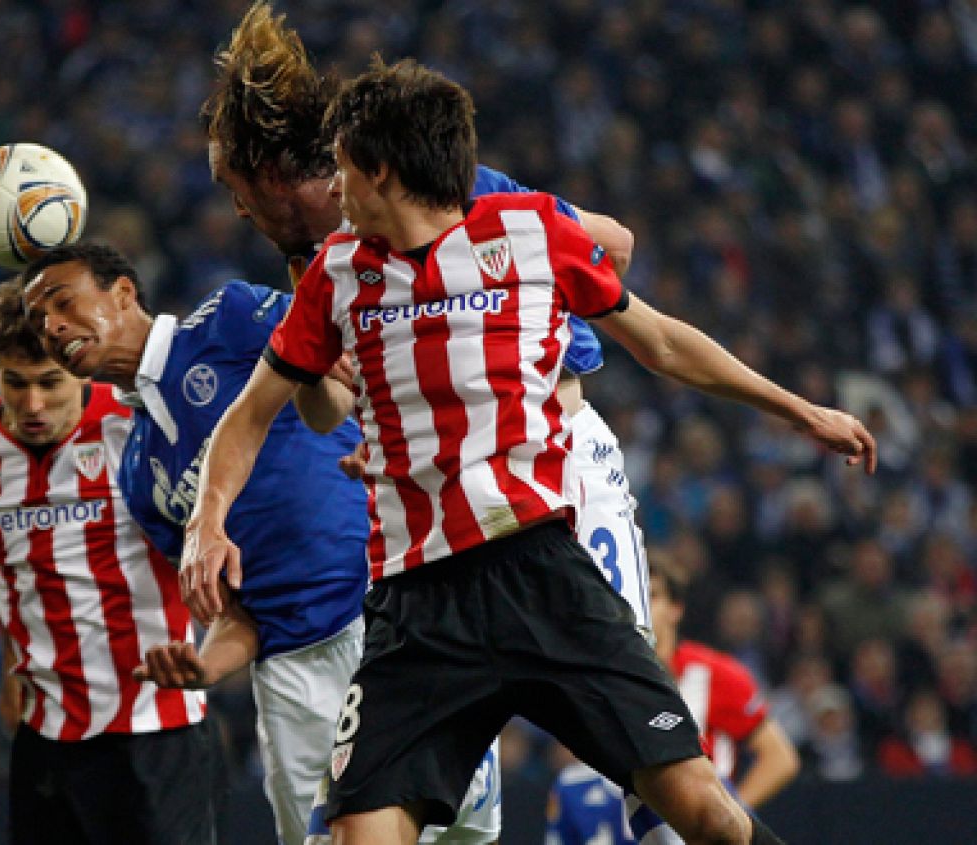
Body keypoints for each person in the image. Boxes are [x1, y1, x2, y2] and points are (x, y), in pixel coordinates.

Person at [185, 60, 874, 845]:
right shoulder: (336, 276)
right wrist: (209, 520)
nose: (333, 187)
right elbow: (247, 419)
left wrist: (798, 409)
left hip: (545, 574)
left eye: (342, 167)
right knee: (358, 837)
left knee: (702, 811)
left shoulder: (531, 230)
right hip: (417, 609)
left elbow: (661, 342)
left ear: (379, 170)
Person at [203, 1, 653, 639]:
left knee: (620, 710)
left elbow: (621, 245)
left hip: (555, 453)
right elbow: (326, 411)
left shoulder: (437, 190)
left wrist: (512, 307)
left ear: (271, 176)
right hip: (441, 491)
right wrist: (322, 377)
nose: (239, 212)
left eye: (233, 188)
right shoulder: (316, 264)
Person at [19, 241, 381, 845]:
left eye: (62, 303)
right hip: (290, 679)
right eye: (39, 323)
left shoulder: (230, 317)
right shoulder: (138, 474)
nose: (52, 327)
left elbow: (339, 377)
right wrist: (204, 663)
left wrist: (344, 396)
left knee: (459, 830)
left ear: (124, 293)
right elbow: (240, 612)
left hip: (385, 617)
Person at [0, 279, 219, 845]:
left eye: (50, 383)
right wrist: (11, 661)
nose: (33, 405)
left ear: (79, 369)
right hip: (43, 735)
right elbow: (13, 559)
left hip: (155, 728)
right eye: (16, 384)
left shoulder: (140, 426)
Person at [550, 560, 801, 844]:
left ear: (675, 608)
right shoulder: (598, 677)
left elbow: (780, 757)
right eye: (630, 594)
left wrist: (731, 814)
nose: (639, 605)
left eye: (652, 595)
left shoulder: (716, 674)